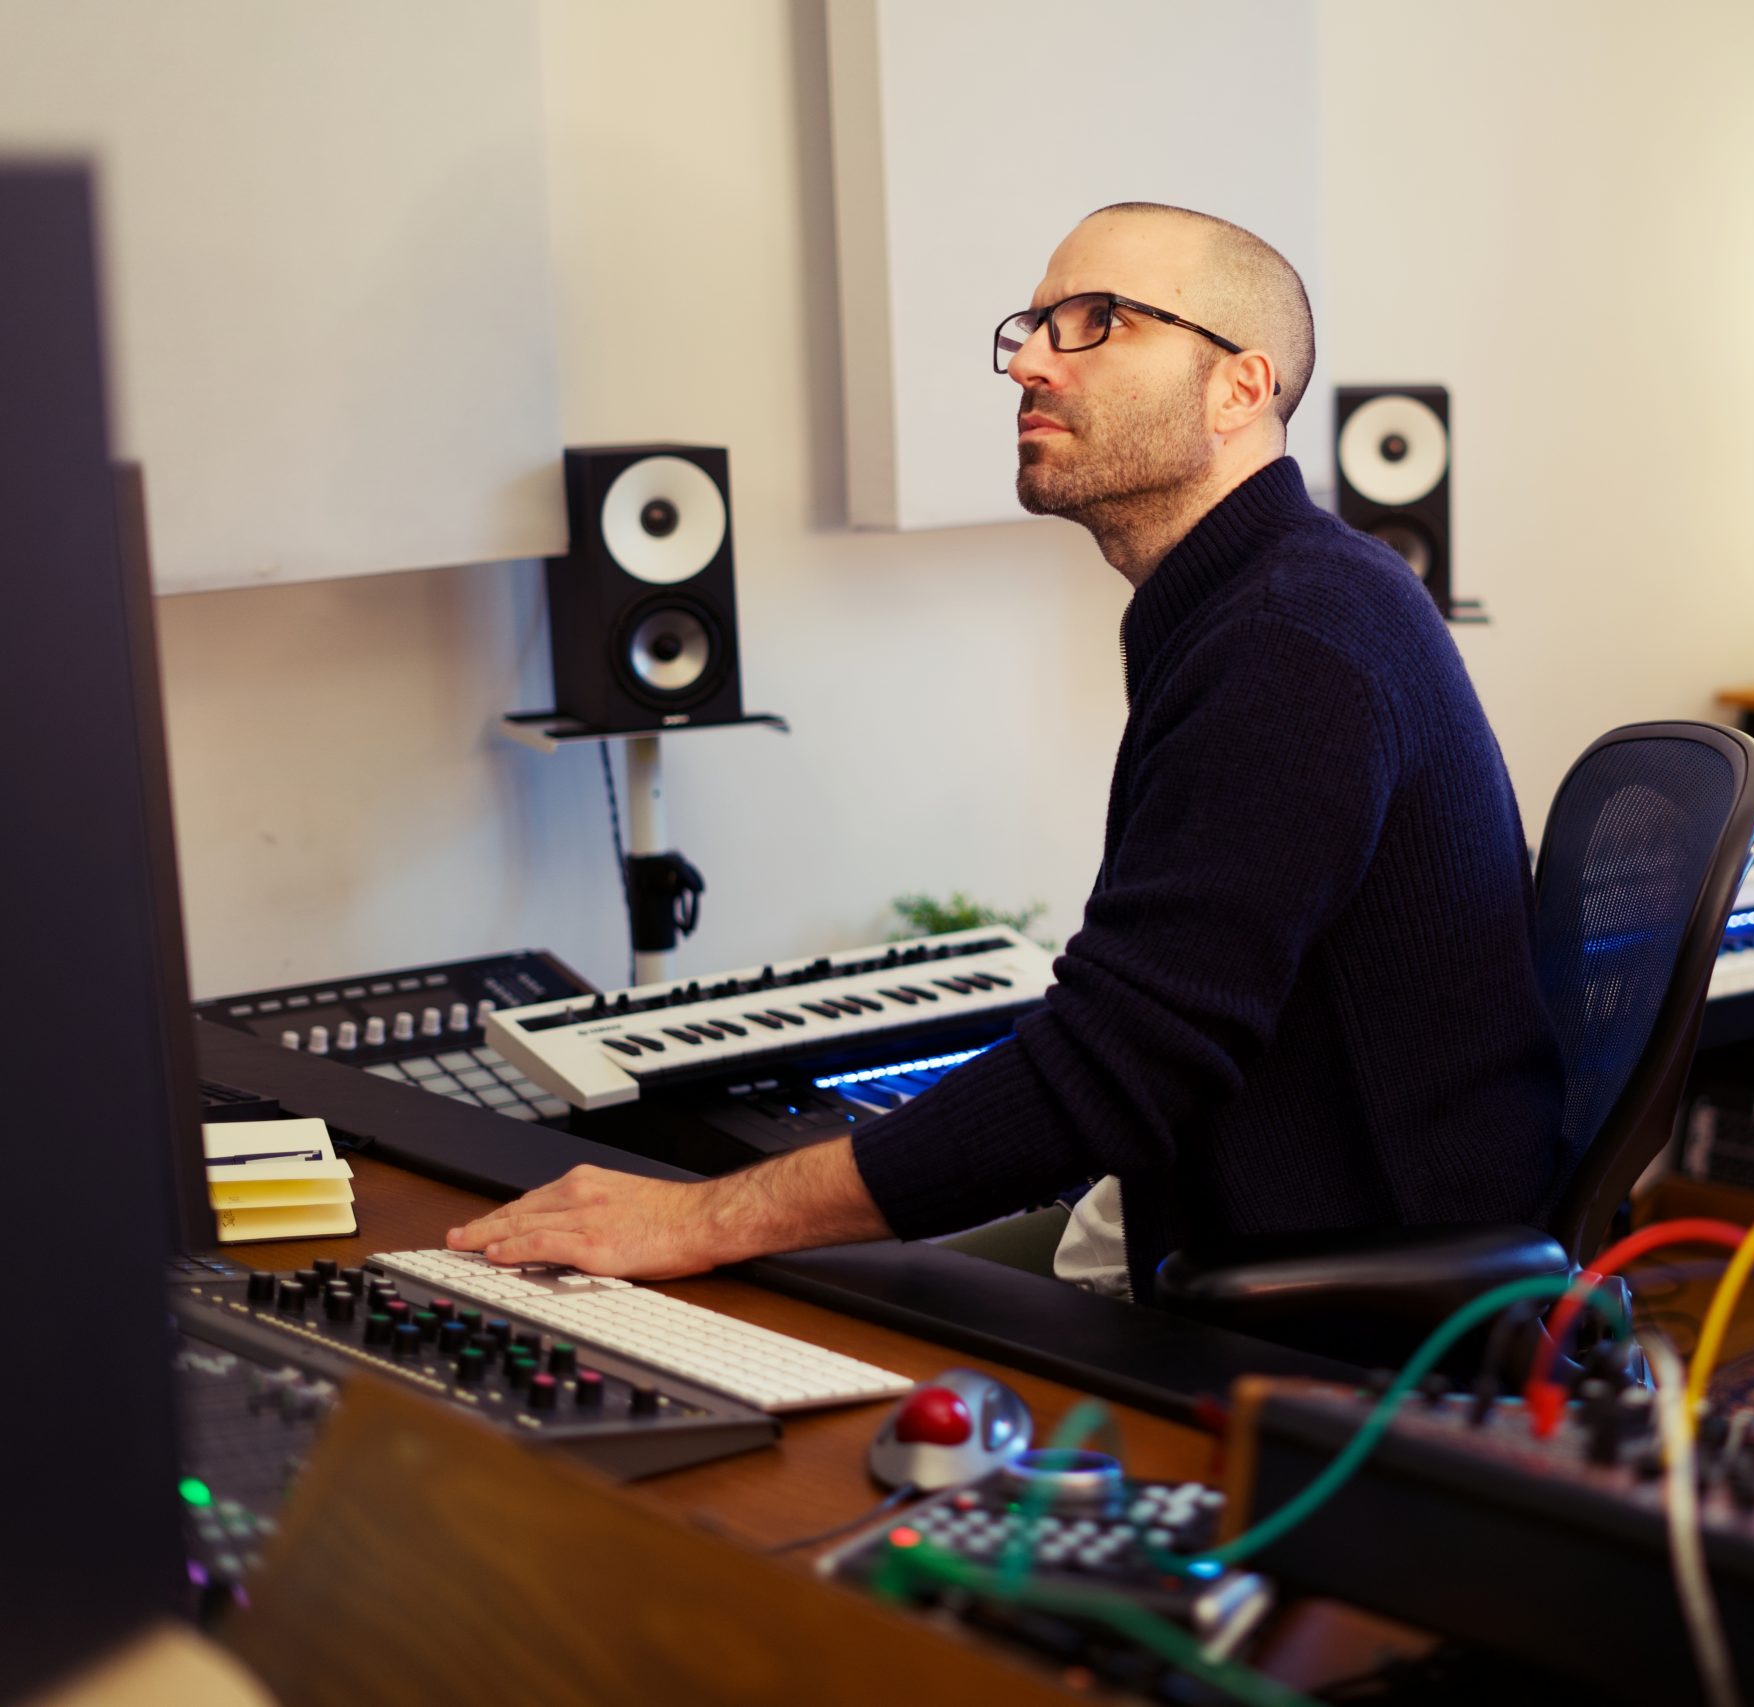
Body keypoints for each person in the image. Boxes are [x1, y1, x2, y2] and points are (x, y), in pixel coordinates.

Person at [449, 203, 1564, 1301]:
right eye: (1031, 327)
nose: (1030, 361)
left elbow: (1117, 1067)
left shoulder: (1292, 638)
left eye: (1096, 321)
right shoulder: (1263, 600)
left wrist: (702, 1216)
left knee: (788, 1293)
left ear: (1239, 387)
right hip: (1236, 1217)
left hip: (1339, 1310)